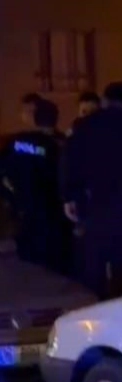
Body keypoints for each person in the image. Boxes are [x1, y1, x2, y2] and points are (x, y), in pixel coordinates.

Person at [60, 82, 122, 300]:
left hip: (93, 203)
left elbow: (70, 163)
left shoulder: (84, 126)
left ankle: (93, 307)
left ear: (105, 100)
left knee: (92, 265)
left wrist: (70, 197)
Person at [0, 99, 70, 273]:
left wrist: (12, 198)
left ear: (35, 118)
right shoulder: (61, 145)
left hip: (24, 212)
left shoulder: (16, 142)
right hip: (54, 214)